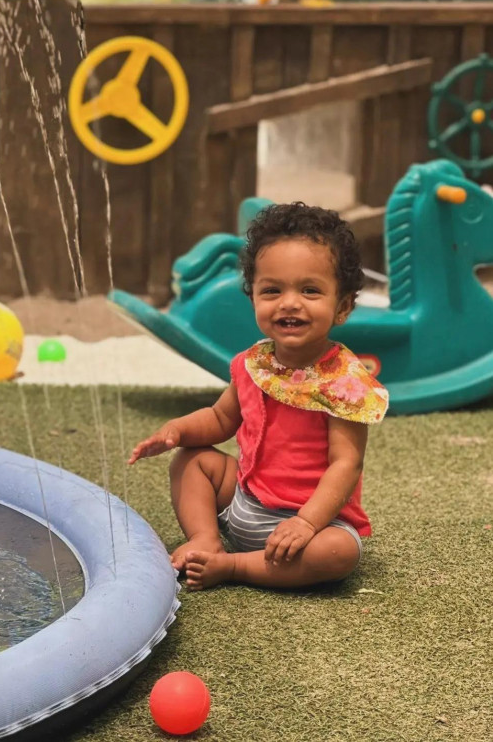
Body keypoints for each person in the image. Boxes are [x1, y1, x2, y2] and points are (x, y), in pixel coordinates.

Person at [128, 202, 388, 591]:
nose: (289, 302)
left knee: (339, 553)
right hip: (245, 499)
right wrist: (176, 431)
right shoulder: (253, 363)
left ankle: (234, 566)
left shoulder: (344, 383)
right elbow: (219, 420)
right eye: (272, 290)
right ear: (253, 298)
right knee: (191, 462)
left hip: (310, 527)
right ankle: (206, 539)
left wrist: (306, 522)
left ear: (344, 306)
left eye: (310, 290)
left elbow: (345, 465)